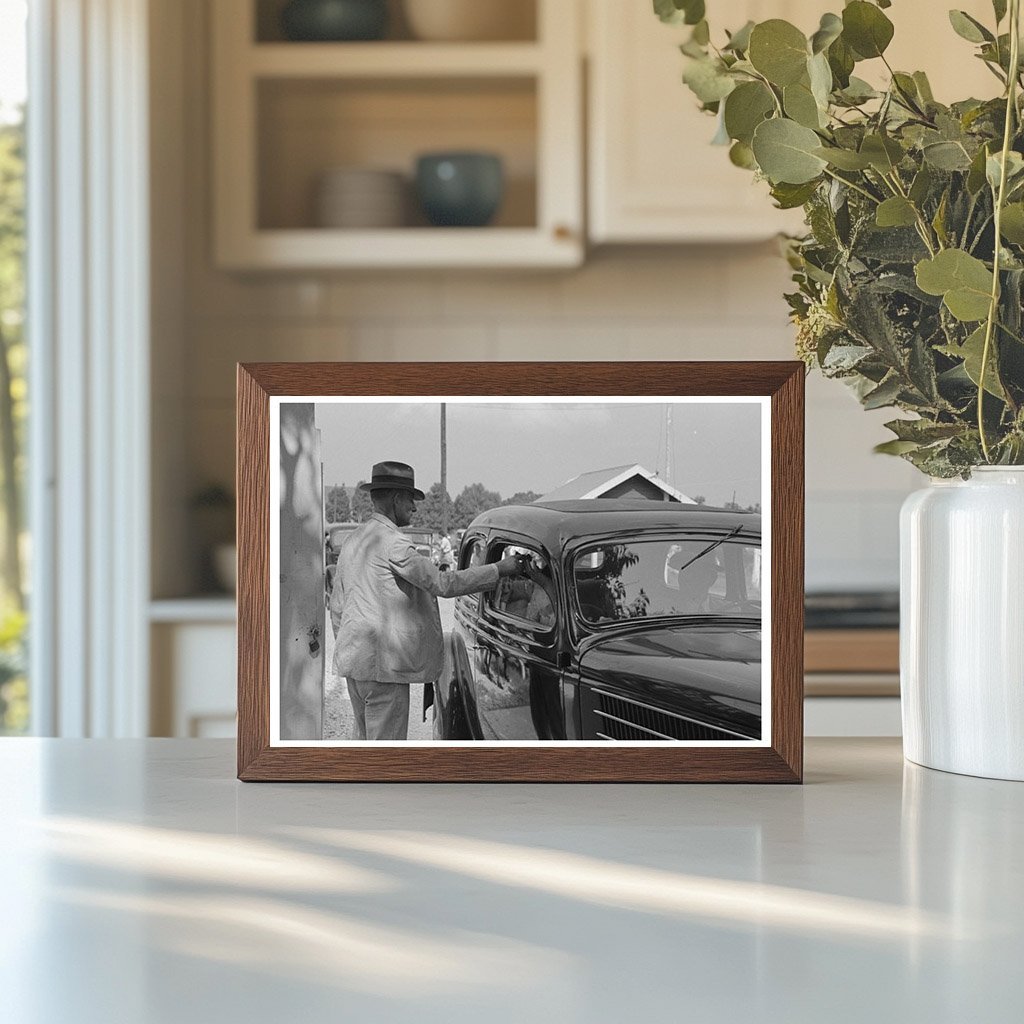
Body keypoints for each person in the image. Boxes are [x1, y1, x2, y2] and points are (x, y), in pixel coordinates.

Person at [329, 461, 523, 740]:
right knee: (387, 761)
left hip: (355, 664)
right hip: (385, 671)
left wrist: (353, 650)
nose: (415, 508)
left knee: (362, 749)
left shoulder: (354, 541)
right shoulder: (393, 544)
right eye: (410, 500)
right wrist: (499, 570)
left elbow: (338, 608)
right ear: (396, 499)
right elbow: (443, 583)